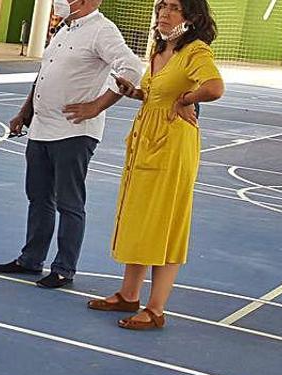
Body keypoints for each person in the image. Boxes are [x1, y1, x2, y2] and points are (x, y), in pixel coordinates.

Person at [88, 0, 223, 329]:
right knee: (139, 217)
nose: (164, 13)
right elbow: (153, 94)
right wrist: (134, 92)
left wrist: (187, 99)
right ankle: (128, 294)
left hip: (172, 147)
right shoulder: (159, 52)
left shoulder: (196, 52)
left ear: (191, 16)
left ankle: (156, 309)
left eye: (174, 8)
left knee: (166, 222)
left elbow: (214, 87)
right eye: (161, 6)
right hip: (145, 145)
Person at [0, 0, 144, 288]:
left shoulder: (102, 31)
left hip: (74, 133)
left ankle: (64, 268)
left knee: (69, 202)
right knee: (38, 197)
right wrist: (26, 111)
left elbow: (132, 67)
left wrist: (98, 106)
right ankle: (31, 259)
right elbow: (45, 74)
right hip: (41, 129)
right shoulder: (62, 29)